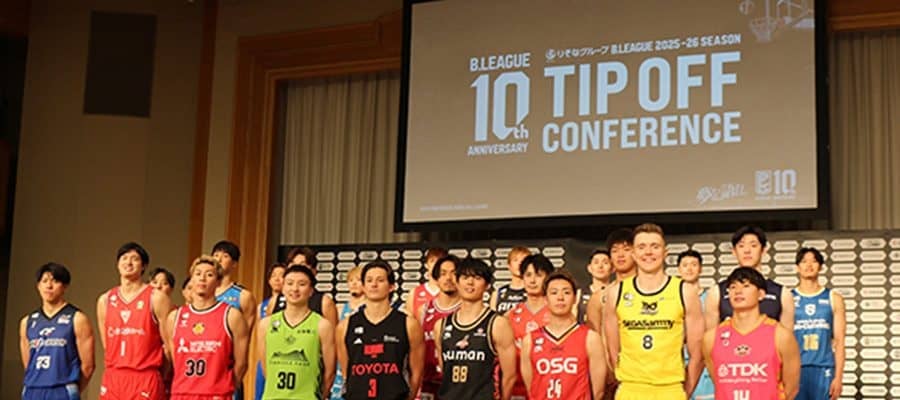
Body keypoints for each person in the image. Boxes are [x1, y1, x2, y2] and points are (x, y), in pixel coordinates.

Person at [604, 224, 704, 399]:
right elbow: (612, 351)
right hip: (630, 388)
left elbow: (698, 352)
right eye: (642, 247)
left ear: (665, 253)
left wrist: (685, 391)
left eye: (655, 246)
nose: (648, 252)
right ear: (633, 254)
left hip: (670, 388)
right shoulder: (616, 293)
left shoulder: (684, 291)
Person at [704, 267, 801, 400]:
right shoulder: (711, 338)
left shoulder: (781, 336)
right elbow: (718, 382)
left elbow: (791, 388)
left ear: (761, 294)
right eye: (733, 287)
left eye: (746, 286)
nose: (738, 291)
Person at [336, 261, 424, 400]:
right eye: (369, 280)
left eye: (380, 280)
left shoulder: (409, 324)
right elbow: (346, 372)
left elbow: (417, 372)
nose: (374, 284)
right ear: (363, 286)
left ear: (391, 286)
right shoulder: (345, 326)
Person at [167, 255, 249, 400]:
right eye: (198, 274)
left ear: (218, 282)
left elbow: (241, 363)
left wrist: (224, 388)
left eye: (209, 274)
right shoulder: (175, 317)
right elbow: (174, 358)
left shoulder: (231, 315)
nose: (202, 278)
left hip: (216, 394)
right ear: (191, 280)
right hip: (182, 393)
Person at [434, 257, 517, 400]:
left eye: (477, 278)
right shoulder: (441, 325)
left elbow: (510, 376)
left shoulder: (497, 324)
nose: (470, 282)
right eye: (465, 277)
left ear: (487, 285)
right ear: (457, 282)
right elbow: (444, 369)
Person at [97, 242, 172, 399]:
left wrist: (161, 376)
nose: (129, 263)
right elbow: (107, 345)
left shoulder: (157, 298)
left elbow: (169, 346)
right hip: (113, 377)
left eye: (135, 259)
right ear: (117, 264)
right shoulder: (105, 300)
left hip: (145, 376)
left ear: (143, 266)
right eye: (124, 258)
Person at [521, 271, 607, 400]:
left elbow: (598, 391)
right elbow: (531, 387)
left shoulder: (590, 338)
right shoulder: (530, 340)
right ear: (545, 299)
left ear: (575, 298)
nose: (560, 297)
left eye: (566, 292)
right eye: (554, 293)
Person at [258, 264, 336, 400]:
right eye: (289, 283)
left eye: (302, 284)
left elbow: (330, 372)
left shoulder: (322, 325)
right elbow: (265, 367)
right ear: (283, 288)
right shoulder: (266, 324)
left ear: (311, 290)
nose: (295, 289)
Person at [20, 263, 95, 400]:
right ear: (38, 286)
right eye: (44, 281)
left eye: (55, 281)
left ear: (65, 286)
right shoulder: (27, 322)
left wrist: (73, 390)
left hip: (62, 389)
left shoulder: (77, 318)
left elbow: (88, 366)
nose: (49, 286)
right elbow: (28, 363)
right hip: (32, 389)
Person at [704, 226, 795, 330]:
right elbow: (711, 336)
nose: (747, 250)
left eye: (753, 245)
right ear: (734, 251)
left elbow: (787, 337)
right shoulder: (716, 292)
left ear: (764, 250)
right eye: (741, 246)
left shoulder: (782, 294)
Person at [792, 248, 846, 400]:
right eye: (804, 261)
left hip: (824, 368)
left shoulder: (833, 298)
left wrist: (838, 377)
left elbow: (840, 342)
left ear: (821, 267)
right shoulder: (788, 298)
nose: (809, 265)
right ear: (797, 267)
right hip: (796, 369)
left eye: (814, 261)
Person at [508, 254, 554, 399]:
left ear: (548, 278)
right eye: (528, 275)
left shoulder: (558, 315)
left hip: (549, 390)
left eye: (538, 275)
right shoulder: (510, 316)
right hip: (517, 392)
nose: (532, 280)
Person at [416, 255, 462, 399]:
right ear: (436, 279)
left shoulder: (468, 310)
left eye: (453, 273)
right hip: (428, 385)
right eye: (443, 273)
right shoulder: (423, 310)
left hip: (458, 386)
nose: (448, 278)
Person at [676, 250, 715, 400]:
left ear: (701, 269)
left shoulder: (711, 298)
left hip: (704, 364)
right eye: (685, 265)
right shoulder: (672, 299)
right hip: (677, 363)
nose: (689, 268)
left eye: (694, 264)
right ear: (679, 269)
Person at [330, 265, 366, 400]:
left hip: (362, 361)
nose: (354, 284)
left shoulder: (370, 309)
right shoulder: (339, 309)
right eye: (351, 280)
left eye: (358, 280)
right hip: (341, 364)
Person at [255, 262, 287, 400]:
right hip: (265, 357)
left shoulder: (291, 305)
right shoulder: (261, 306)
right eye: (273, 276)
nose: (277, 279)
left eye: (281, 275)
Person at [285, 246, 339, 326]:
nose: (297, 269)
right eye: (293, 265)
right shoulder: (275, 301)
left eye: (302, 265)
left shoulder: (324, 302)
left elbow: (332, 332)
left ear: (314, 271)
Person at [404, 248, 449, 318]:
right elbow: (409, 320)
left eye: (440, 261)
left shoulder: (454, 292)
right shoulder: (415, 293)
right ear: (426, 265)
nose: (436, 264)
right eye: (432, 261)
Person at [490, 246, 531, 314]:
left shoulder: (535, 293)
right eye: (515, 260)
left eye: (523, 260)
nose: (519, 264)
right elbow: (493, 319)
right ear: (509, 265)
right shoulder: (497, 294)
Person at [577, 249, 612, 327]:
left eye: (605, 263)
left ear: (612, 268)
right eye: (596, 262)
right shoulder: (579, 293)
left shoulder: (616, 292)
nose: (600, 266)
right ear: (589, 268)